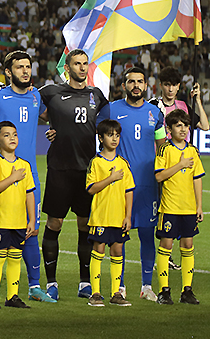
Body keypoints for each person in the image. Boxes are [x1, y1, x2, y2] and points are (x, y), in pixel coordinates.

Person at [0, 51, 55, 303]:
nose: (25, 71)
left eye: (28, 67)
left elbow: (51, 115)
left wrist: (56, 130)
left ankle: (33, 287)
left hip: (29, 172)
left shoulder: (36, 96)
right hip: (1, 173)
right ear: (8, 72)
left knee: (31, 228)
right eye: (19, 67)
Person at [39, 49, 109, 300]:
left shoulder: (96, 96)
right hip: (59, 168)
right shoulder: (50, 92)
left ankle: (84, 282)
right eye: (77, 64)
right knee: (54, 223)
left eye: (84, 64)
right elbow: (29, 106)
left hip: (87, 172)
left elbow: (106, 126)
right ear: (66, 68)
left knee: (84, 224)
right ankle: (51, 283)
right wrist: (49, 127)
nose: (82, 67)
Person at [108, 67, 166, 301]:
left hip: (148, 184)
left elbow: (162, 148)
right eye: (131, 81)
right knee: (119, 237)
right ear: (123, 86)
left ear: (146, 85)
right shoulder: (112, 109)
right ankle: (119, 286)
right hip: (120, 185)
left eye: (139, 81)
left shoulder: (155, 113)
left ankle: (146, 286)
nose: (135, 85)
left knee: (147, 234)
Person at [154, 109, 204, 305]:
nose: (183, 129)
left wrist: (199, 206)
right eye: (178, 125)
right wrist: (180, 164)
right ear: (169, 129)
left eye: (185, 125)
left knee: (188, 246)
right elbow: (159, 176)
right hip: (170, 207)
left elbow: (197, 179)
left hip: (189, 208)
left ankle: (187, 291)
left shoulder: (192, 150)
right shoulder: (165, 150)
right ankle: (164, 291)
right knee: (166, 246)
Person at [0, 121, 36, 310]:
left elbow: (30, 193)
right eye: (6, 135)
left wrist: (32, 219)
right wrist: (12, 178)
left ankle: (12, 296)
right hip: (0, 220)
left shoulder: (24, 165)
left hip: (19, 221)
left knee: (15, 257)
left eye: (14, 134)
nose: (12, 138)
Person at [86, 119, 135, 307]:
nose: (114, 139)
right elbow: (91, 188)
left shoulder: (123, 163)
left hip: (118, 217)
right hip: (100, 216)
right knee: (98, 251)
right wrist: (111, 178)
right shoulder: (96, 162)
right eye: (109, 135)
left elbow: (129, 190)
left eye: (117, 135)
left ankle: (116, 293)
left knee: (117, 251)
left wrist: (128, 216)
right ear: (101, 137)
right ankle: (95, 293)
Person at [150, 66, 209, 134]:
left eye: (174, 85)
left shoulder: (184, 106)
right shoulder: (154, 105)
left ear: (178, 86)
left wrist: (198, 101)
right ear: (161, 86)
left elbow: (205, 127)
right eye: (167, 85)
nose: (170, 89)